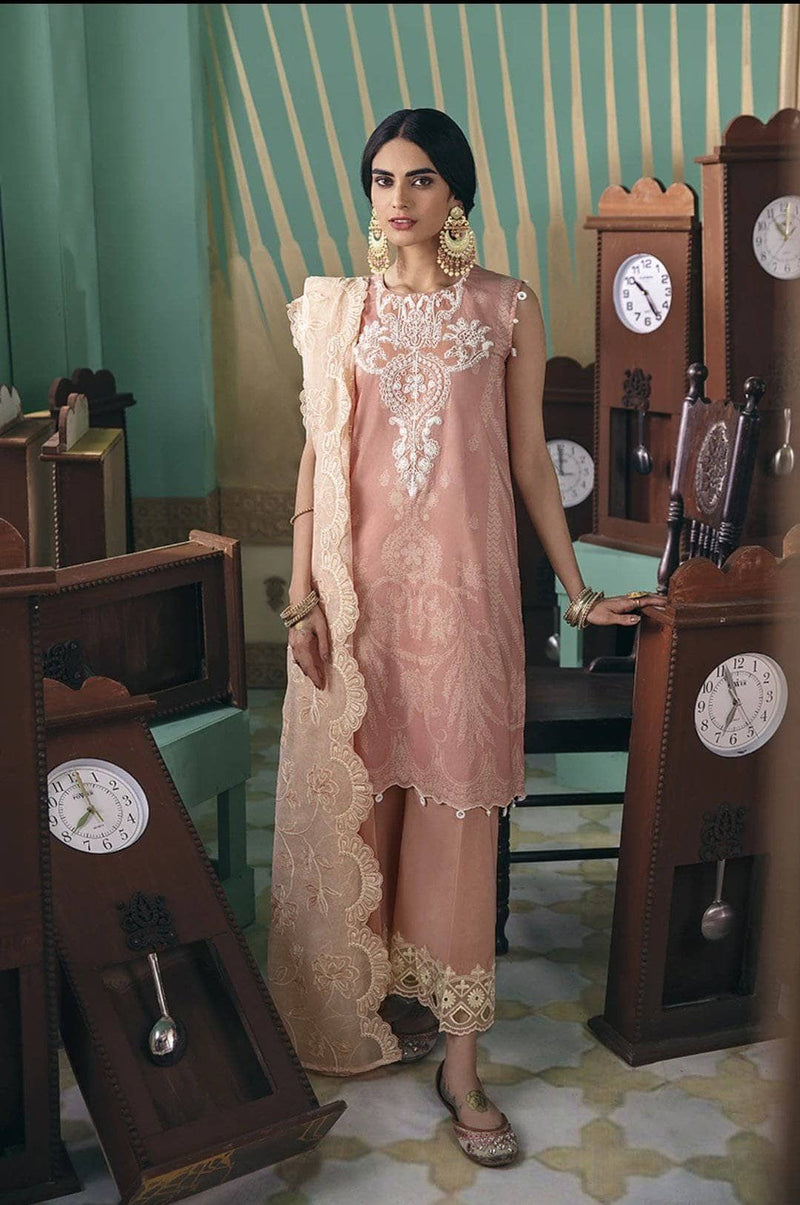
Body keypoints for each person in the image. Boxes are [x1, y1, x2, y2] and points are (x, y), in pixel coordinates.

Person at [267, 108, 661, 1169]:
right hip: (358, 602)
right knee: (367, 795)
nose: (397, 199)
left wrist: (576, 592)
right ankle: (374, 999)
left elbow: (528, 459)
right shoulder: (336, 311)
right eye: (382, 179)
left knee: (457, 802)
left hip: (464, 601)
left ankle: (461, 1065)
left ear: (457, 195)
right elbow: (316, 457)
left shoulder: (503, 305)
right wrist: (302, 598)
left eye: (421, 179)